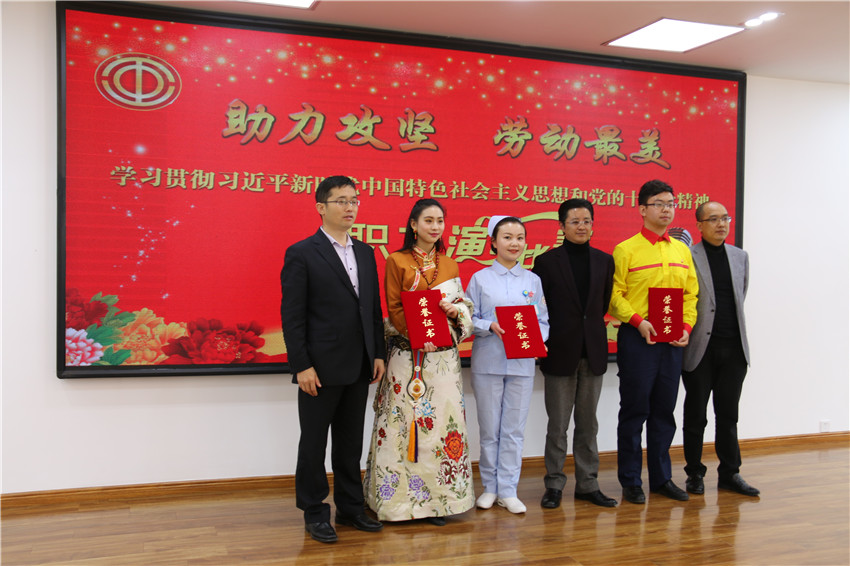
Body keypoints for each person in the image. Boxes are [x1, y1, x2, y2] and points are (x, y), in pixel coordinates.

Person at [280, 175, 386, 543]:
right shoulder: (302, 252)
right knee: (313, 444)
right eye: (341, 200)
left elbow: (372, 309)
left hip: (359, 364)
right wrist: (301, 365)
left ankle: (351, 508)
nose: (350, 207)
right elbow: (292, 316)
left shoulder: (366, 253)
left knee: (349, 442)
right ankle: (314, 512)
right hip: (319, 369)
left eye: (354, 200)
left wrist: (377, 353)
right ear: (321, 207)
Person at [363, 198, 475, 525]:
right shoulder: (396, 261)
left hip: (441, 363)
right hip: (406, 357)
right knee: (401, 426)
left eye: (440, 220)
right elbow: (395, 308)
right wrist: (417, 335)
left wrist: (456, 311)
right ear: (413, 224)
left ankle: (438, 504)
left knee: (439, 428)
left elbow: (462, 305)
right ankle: (397, 504)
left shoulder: (450, 264)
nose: (435, 226)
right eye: (428, 220)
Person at [608, 179, 699, 504]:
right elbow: (614, 296)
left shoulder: (682, 250)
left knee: (664, 410)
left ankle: (662, 479)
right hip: (638, 339)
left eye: (671, 204)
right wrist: (638, 321)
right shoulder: (626, 249)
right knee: (634, 411)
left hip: (672, 342)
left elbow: (691, 295)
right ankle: (631, 480)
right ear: (642, 209)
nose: (666, 209)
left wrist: (686, 326)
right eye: (659, 204)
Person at [532, 199, 617, 509]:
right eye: (575, 221)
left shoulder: (605, 261)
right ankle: (554, 484)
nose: (582, 226)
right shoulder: (545, 262)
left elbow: (602, 304)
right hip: (559, 351)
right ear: (562, 226)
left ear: (593, 224)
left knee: (588, 424)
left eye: (587, 221)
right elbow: (540, 307)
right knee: (557, 425)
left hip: (592, 352)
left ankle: (588, 484)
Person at [466, 216, 549, 514]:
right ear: (493, 242)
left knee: (514, 430)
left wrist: (537, 340)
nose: (515, 243)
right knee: (490, 429)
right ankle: (490, 487)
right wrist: (489, 325)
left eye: (520, 238)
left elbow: (542, 321)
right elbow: (467, 318)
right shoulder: (480, 278)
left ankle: (509, 489)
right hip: (488, 360)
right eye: (507, 237)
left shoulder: (532, 281)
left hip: (522, 364)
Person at [682, 202, 759, 497]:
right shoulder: (688, 255)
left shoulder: (740, 257)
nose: (721, 224)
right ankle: (694, 473)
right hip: (701, 348)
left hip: (734, 349)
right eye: (713, 219)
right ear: (699, 225)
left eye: (725, 218)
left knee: (728, 415)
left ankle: (730, 473)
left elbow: (741, 295)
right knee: (696, 415)